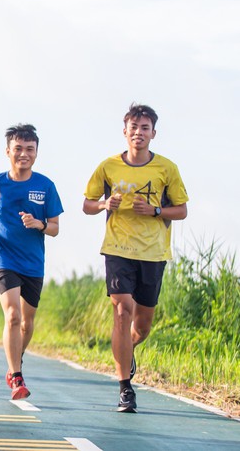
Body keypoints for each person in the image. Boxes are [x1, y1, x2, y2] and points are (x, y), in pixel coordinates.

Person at [83, 103, 188, 413]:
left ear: (153, 133)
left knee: (141, 327)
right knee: (121, 309)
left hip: (154, 253)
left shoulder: (166, 169)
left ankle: (126, 349)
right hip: (118, 249)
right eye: (134, 127)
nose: (139, 132)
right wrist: (105, 205)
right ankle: (125, 388)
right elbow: (87, 204)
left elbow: (181, 210)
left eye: (145, 128)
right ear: (125, 131)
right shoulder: (108, 167)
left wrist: (155, 210)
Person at [0, 124, 63, 400]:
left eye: (29, 149)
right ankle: (16, 376)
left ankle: (16, 359)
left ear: (36, 153)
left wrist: (39, 224)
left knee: (26, 323)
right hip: (3, 258)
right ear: (8, 151)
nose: (24, 154)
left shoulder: (45, 185)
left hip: (33, 263)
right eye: (18, 149)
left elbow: (55, 227)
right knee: (12, 315)